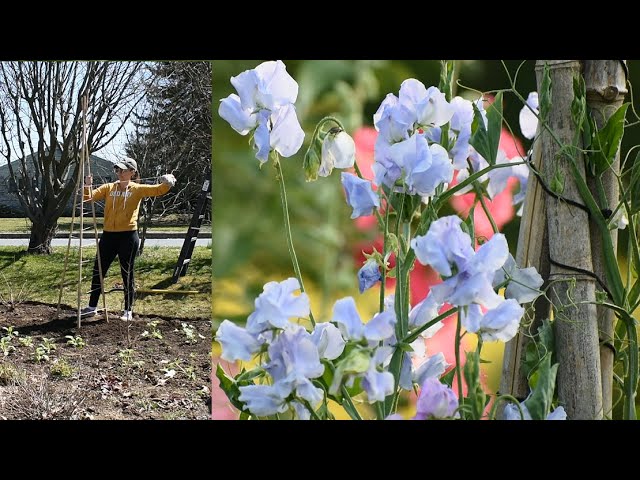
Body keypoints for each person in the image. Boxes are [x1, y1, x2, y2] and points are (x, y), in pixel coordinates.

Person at [81, 156, 176, 321]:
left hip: (128, 236)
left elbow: (158, 190)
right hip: (108, 236)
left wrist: (168, 182)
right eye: (118, 169)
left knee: (127, 273)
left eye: (124, 170)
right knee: (98, 270)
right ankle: (92, 307)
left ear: (132, 172)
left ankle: (127, 311)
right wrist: (87, 185)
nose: (120, 172)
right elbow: (88, 198)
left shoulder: (137, 188)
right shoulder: (109, 187)